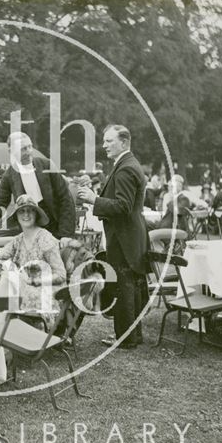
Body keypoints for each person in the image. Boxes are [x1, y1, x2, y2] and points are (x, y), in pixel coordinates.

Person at [77, 125, 148, 349]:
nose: (104, 145)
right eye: (104, 141)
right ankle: (133, 336)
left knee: (125, 285)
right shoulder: (127, 164)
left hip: (125, 237)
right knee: (132, 285)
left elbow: (123, 206)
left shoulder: (126, 168)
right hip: (129, 235)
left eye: (109, 141)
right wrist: (96, 195)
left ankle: (125, 338)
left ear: (124, 142)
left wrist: (93, 200)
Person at [0, 132, 76, 243]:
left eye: (30, 146)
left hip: (52, 222)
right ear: (11, 152)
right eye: (23, 149)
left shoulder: (47, 165)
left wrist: (65, 235)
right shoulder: (9, 174)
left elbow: (66, 200)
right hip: (26, 221)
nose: (29, 152)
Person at [0, 194, 67, 329]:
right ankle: (3, 331)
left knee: (5, 285)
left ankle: (2, 332)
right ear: (16, 216)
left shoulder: (45, 239)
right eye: (22, 211)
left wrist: (34, 280)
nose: (26, 215)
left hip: (44, 294)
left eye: (30, 210)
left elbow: (61, 275)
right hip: (22, 291)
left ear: (36, 214)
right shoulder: (18, 239)